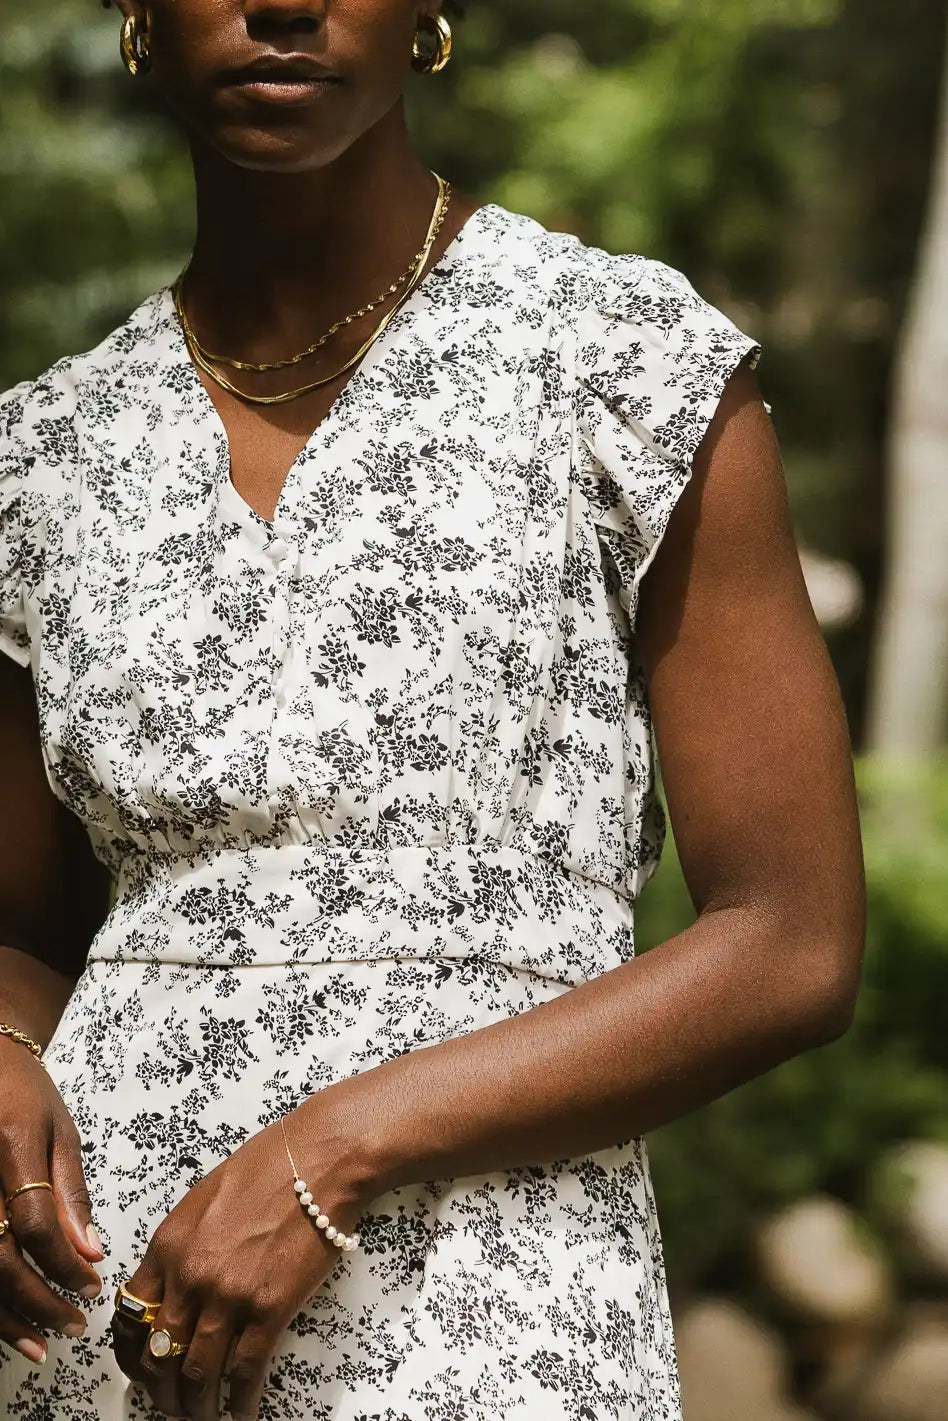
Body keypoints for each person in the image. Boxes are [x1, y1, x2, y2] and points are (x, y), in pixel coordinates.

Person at [0, 1, 866, 1418]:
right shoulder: (41, 455)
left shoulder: (619, 361)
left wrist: (334, 1147)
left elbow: (792, 939)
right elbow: (26, 939)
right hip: (114, 1315)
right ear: (136, 16)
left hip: (492, 1301)